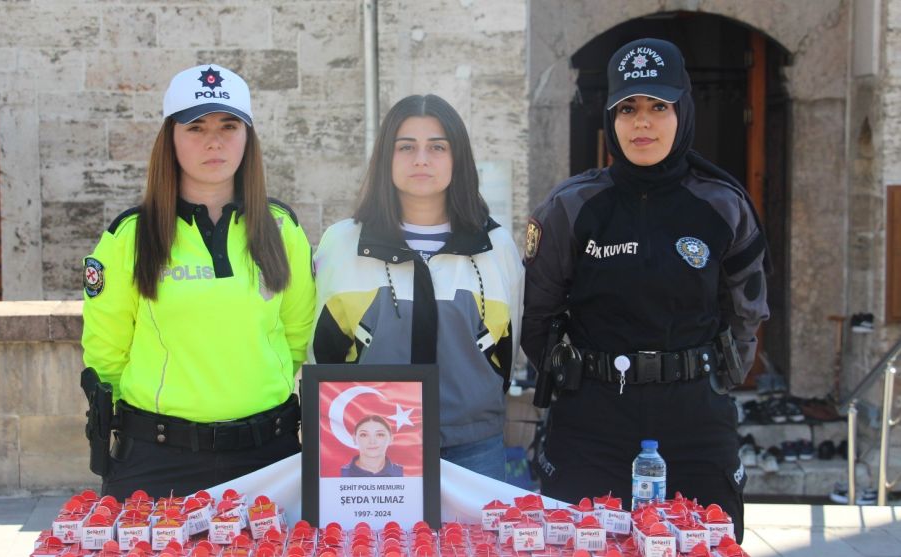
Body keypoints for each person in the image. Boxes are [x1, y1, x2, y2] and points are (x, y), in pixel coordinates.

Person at [522, 38, 768, 541]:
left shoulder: (723, 205)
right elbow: (538, 317)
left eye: (659, 106)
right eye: (627, 108)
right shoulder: (572, 207)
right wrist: (576, 378)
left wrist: (720, 376)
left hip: (694, 414)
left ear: (683, 111)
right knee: (578, 546)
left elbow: (749, 306)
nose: (642, 123)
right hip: (592, 418)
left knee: (708, 545)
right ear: (609, 118)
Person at [81, 64, 316, 500]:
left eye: (229, 125)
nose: (214, 140)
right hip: (157, 460)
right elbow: (106, 353)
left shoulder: (283, 230)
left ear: (248, 137)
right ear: (170, 138)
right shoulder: (130, 236)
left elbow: (298, 334)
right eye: (196, 126)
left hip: (270, 456)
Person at [311, 94, 525, 482]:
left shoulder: (497, 247)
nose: (421, 159)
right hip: (370, 446)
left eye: (437, 147)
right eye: (406, 147)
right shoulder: (341, 242)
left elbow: (509, 348)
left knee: (475, 546)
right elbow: (320, 350)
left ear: (457, 158)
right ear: (385, 159)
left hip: (473, 447)